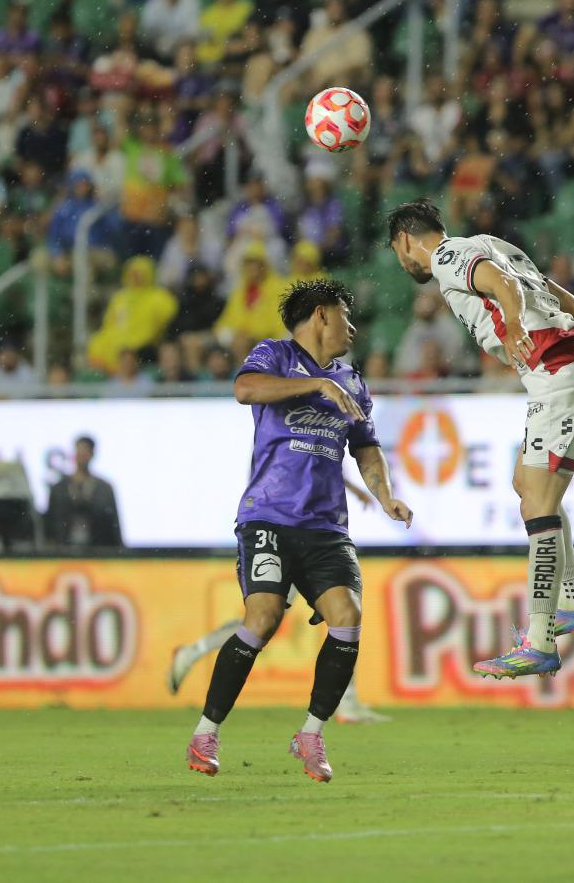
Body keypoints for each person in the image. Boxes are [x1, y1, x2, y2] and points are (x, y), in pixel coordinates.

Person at [186, 280, 412, 783]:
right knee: (262, 617)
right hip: (268, 516)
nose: (352, 328)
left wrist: (385, 495)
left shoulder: (352, 382)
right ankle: (206, 731)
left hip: (327, 526)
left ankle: (310, 733)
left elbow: (367, 448)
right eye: (345, 315)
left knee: (347, 617)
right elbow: (244, 390)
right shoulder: (275, 354)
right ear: (320, 315)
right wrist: (316, 385)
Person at [386, 198, 574, 678]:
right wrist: (570, 305)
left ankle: (539, 639)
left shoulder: (446, 258)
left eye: (396, 252)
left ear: (405, 239)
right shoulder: (485, 242)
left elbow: (503, 282)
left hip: (559, 370)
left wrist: (510, 327)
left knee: (537, 505)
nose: (401, 263)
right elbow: (533, 279)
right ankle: (568, 602)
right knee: (527, 486)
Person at [168, 480, 390, 725]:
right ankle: (193, 652)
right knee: (266, 621)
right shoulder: (280, 453)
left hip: (304, 530)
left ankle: (348, 701)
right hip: (287, 533)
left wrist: (357, 490)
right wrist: (358, 490)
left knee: (339, 618)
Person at [44, 436, 122, 549]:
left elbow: (113, 526)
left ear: (92, 455)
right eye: (79, 451)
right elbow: (50, 524)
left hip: (97, 551)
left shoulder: (104, 489)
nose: (82, 455)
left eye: (85, 451)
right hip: (64, 551)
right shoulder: (59, 489)